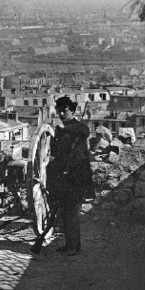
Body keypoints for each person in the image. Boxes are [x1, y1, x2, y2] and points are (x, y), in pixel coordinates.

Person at [47, 96, 94, 256]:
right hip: (63, 176)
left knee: (72, 212)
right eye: (59, 111)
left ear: (72, 111)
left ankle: (74, 246)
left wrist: (64, 129)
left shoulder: (78, 128)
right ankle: (69, 244)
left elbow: (84, 132)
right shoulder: (61, 131)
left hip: (75, 176)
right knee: (66, 211)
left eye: (65, 111)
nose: (61, 113)